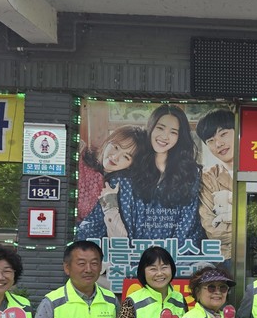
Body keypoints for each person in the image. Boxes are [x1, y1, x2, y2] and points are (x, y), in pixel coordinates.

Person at [76, 104, 203, 244]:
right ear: (151, 128)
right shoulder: (125, 177)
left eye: (173, 132)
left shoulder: (189, 174)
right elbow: (96, 226)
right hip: (131, 253)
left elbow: (187, 224)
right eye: (160, 128)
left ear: (180, 136)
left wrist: (171, 255)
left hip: (174, 253)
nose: (165, 136)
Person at [76, 125, 148, 223]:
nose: (115, 157)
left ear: (131, 164)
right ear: (108, 141)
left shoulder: (123, 186)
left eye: (126, 157)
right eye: (116, 147)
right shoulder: (80, 156)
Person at [196, 108, 234, 266]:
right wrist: (250, 230)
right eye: (210, 141)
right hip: (226, 259)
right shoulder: (208, 177)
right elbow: (214, 231)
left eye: (223, 134)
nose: (218, 144)